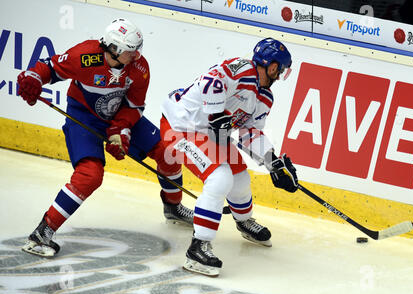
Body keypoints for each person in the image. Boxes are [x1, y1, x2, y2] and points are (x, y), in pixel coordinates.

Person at [17, 18, 194, 258]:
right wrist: (33, 78)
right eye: (131, 52)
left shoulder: (139, 68)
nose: (137, 56)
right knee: (89, 176)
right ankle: (42, 233)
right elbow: (49, 68)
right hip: (84, 119)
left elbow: (134, 106)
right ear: (114, 49)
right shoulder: (85, 56)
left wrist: (121, 130)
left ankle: (172, 207)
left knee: (168, 152)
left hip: (118, 117)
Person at [159, 37, 299, 276]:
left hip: (210, 134)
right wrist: (215, 114)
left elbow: (249, 132)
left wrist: (273, 162)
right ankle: (197, 248)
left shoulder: (264, 97)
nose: (280, 75)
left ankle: (244, 222)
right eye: (281, 70)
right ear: (274, 67)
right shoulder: (242, 69)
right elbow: (212, 79)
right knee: (220, 178)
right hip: (181, 126)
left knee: (240, 177)